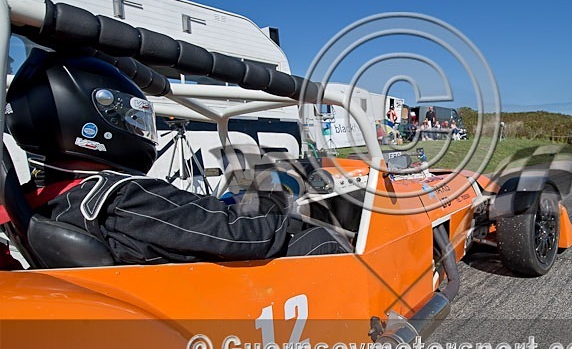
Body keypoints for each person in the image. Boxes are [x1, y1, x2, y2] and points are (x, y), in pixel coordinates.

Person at [4, 50, 347, 265]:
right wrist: (277, 196)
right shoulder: (122, 196)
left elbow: (187, 223)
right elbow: (248, 235)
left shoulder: (43, 198)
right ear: (88, 119)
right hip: (216, 318)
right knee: (325, 237)